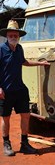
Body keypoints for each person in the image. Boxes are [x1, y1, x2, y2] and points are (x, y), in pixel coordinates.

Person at [0, 20, 50, 156]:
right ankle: (6, 144)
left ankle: (24, 143)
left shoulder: (19, 49)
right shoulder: (1, 49)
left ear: (18, 36)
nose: (13, 37)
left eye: (16, 35)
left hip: (20, 89)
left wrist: (40, 63)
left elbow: (24, 62)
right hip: (5, 90)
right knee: (5, 118)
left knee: (26, 116)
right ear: (7, 35)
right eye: (11, 35)